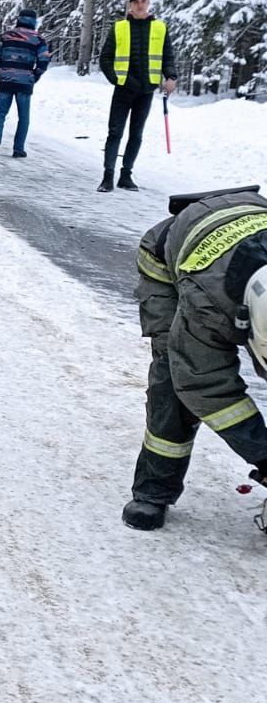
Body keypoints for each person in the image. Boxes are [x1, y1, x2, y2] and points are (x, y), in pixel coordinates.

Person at [123, 186, 267, 530]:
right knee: (174, 379)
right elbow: (206, 387)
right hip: (166, 264)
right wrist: (263, 453)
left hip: (243, 218)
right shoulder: (210, 306)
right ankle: (152, 492)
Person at [97, 0, 178, 192]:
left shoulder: (160, 28)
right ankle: (108, 176)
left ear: (148, 3)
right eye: (136, 1)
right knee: (115, 132)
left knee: (137, 134)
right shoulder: (119, 27)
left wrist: (171, 77)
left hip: (146, 90)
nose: (140, 4)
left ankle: (126, 175)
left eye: (144, 1)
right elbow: (105, 58)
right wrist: (116, 79)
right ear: (130, 5)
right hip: (124, 90)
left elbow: (167, 56)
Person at [0, 8, 51, 158]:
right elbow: (43, 60)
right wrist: (34, 76)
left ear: (19, 19)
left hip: (6, 80)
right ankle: (18, 148)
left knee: (0, 113)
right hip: (25, 82)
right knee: (23, 117)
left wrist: (2, 72)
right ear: (34, 22)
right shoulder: (39, 39)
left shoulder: (6, 36)